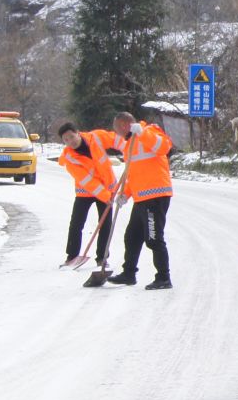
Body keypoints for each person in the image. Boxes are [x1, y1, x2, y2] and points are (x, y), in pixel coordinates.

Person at [108, 111, 174, 290]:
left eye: (116, 128)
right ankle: (129, 273)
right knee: (132, 237)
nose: (116, 133)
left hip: (156, 195)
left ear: (123, 125)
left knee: (153, 238)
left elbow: (164, 147)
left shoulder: (150, 131)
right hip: (141, 197)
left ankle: (163, 277)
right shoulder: (129, 144)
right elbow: (133, 174)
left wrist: (142, 133)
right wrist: (125, 194)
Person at [55, 120, 125, 286]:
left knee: (105, 223)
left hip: (108, 188)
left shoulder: (97, 137)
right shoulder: (69, 158)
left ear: (78, 133)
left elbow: (116, 140)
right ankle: (72, 256)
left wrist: (130, 149)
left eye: (72, 137)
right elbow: (88, 181)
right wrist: (105, 195)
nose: (71, 142)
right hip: (86, 191)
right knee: (76, 223)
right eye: (66, 140)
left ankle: (102, 257)